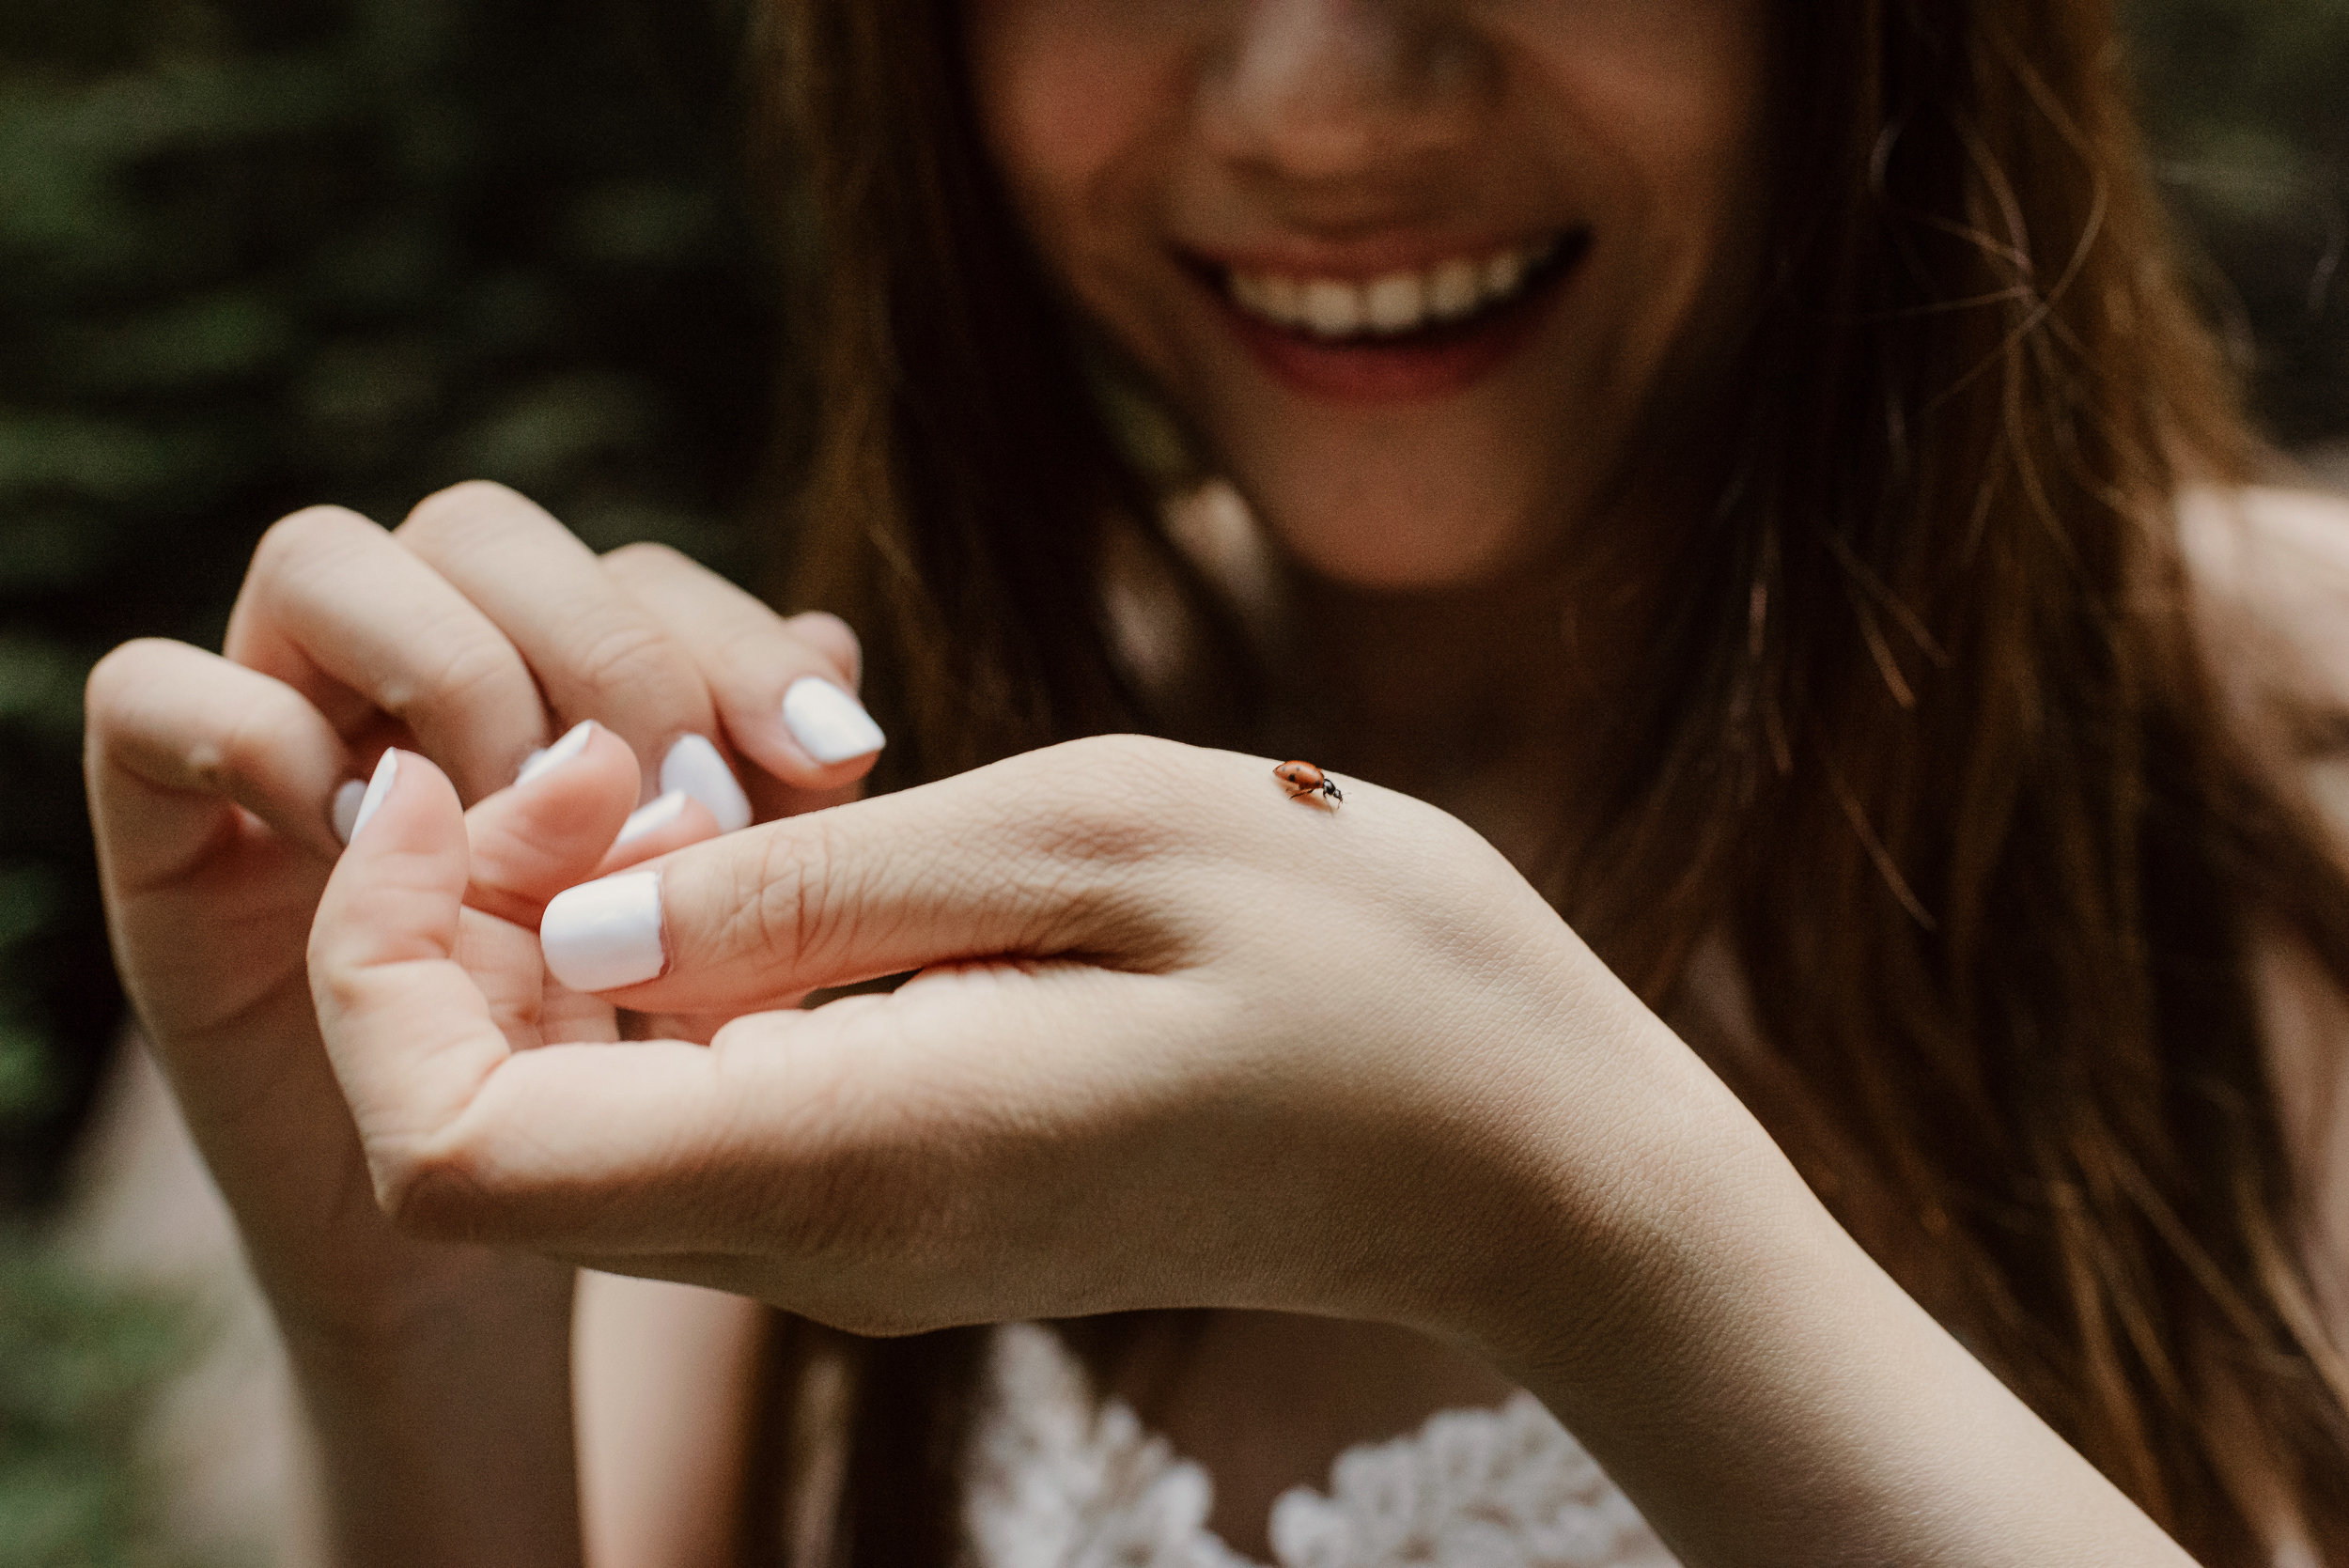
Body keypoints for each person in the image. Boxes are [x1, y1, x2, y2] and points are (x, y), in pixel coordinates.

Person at [79, 0, 2349, 1563]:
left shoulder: (2296, 769)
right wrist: (412, 1331)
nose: (1322, 108)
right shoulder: (812, 851)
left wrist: (1601, 1232)